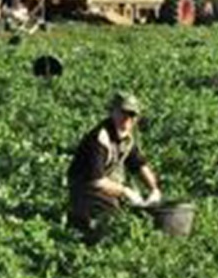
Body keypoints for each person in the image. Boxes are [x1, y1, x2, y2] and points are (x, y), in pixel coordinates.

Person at [67, 92, 161, 241]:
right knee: (114, 219)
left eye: (132, 115)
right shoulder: (99, 138)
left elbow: (139, 164)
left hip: (106, 186)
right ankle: (84, 230)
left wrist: (154, 189)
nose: (127, 119)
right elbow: (96, 181)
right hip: (85, 188)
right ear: (113, 112)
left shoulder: (126, 137)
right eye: (123, 112)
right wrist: (126, 192)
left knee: (136, 213)